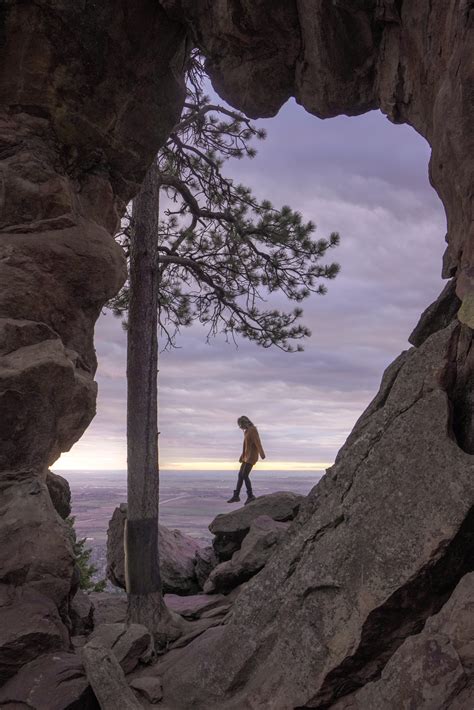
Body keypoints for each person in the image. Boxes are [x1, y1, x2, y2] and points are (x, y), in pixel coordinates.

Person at [227, 416, 265, 505]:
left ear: (245, 423)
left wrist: (262, 453)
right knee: (240, 475)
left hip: (251, 456)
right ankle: (236, 496)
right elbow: (246, 446)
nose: (240, 427)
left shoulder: (253, 430)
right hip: (246, 456)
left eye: (241, 425)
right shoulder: (247, 431)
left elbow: (257, 442)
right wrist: (242, 456)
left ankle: (250, 496)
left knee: (244, 475)